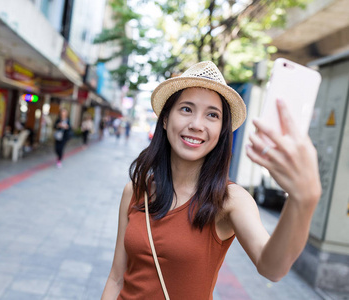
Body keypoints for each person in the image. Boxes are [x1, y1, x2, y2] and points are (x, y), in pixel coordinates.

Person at [101, 61, 321, 299]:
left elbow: (272, 268)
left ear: (221, 131)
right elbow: (116, 277)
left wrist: (304, 199)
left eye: (212, 115)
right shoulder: (135, 191)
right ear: (165, 119)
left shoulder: (230, 199)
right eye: (186, 109)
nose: (196, 125)